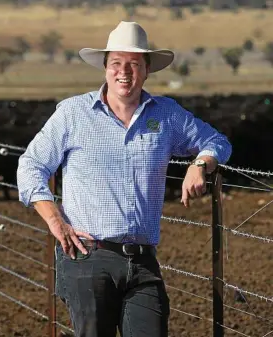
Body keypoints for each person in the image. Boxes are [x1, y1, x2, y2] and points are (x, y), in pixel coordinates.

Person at [16, 21, 232, 337]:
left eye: (134, 64)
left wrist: (200, 164)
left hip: (143, 261)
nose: (124, 72)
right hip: (88, 256)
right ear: (105, 68)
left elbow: (218, 141)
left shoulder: (166, 114)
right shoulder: (73, 113)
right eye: (116, 63)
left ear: (147, 71)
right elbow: (31, 166)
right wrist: (55, 221)